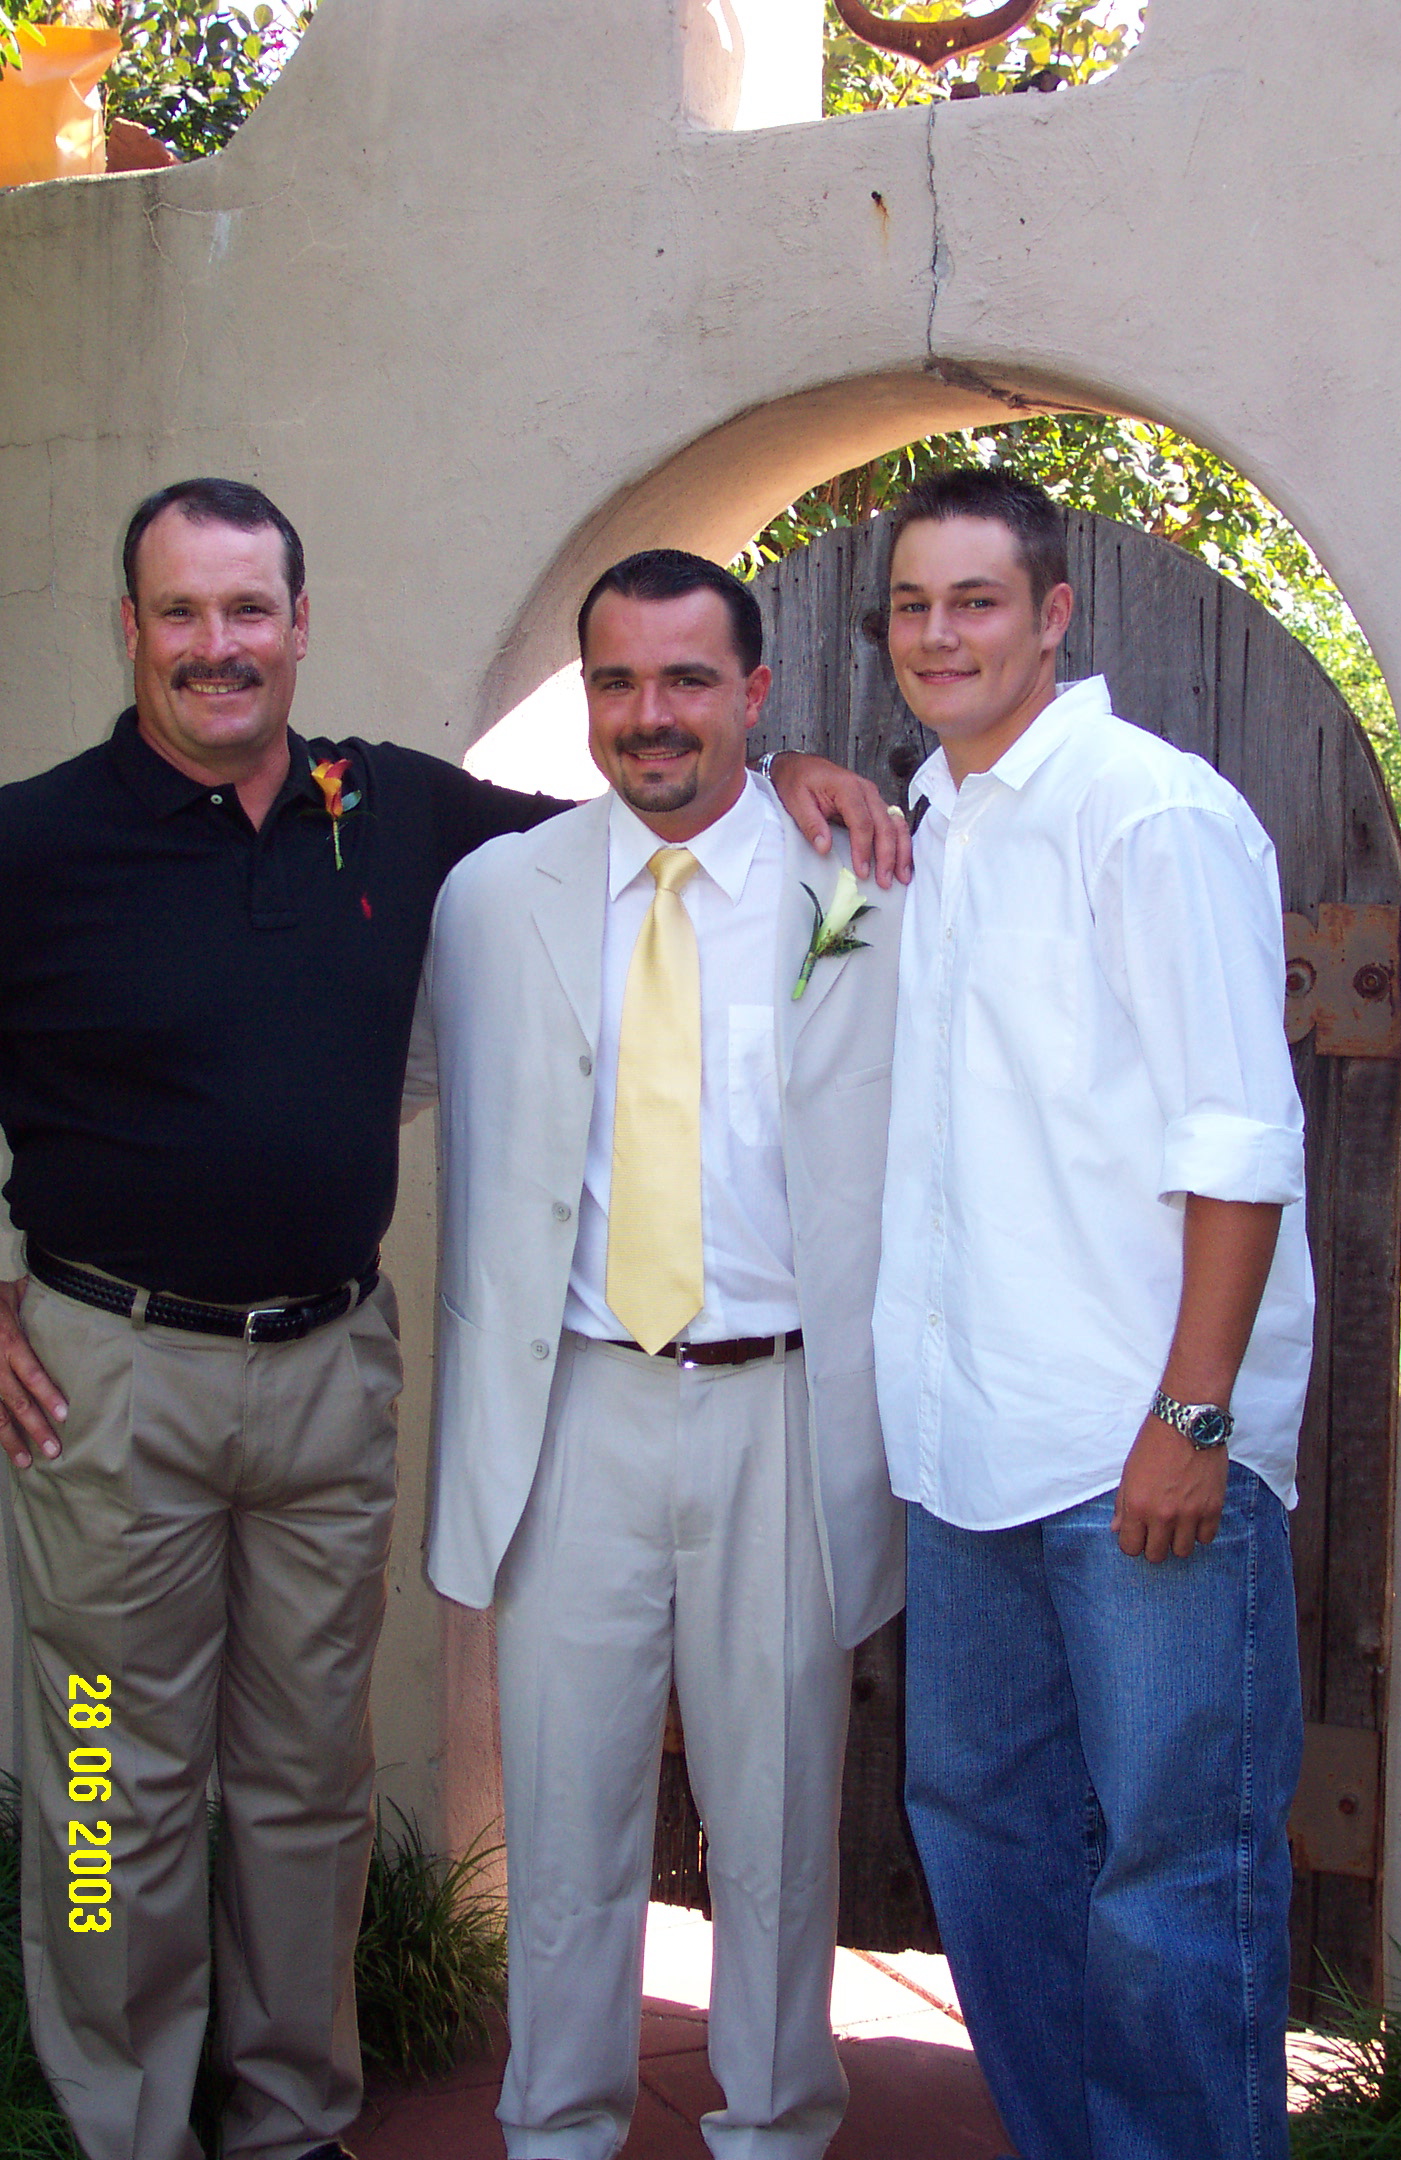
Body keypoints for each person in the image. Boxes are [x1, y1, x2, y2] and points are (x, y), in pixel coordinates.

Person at [0, 478, 906, 2160]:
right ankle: (127, 2126)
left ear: (297, 624)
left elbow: (651, 814)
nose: (218, 646)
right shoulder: (33, 843)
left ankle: (288, 2119)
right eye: (181, 614)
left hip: (331, 1383)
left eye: (248, 611)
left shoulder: (406, 820)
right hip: (109, 1387)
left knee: (306, 1784)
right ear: (128, 628)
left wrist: (791, 784)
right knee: (106, 1783)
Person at [405, 548, 908, 2160]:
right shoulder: (495, 896)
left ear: (757, 696)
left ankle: (773, 2124)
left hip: (783, 1402)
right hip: (576, 1403)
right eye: (617, 681)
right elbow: (356, 1080)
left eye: (688, 679)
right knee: (564, 1813)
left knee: (775, 1818)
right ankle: (558, 2124)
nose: (650, 716)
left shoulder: (861, 885)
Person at [872, 468, 1314, 2160]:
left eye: (976, 600)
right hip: (969, 1445)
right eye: (914, 605)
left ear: (1053, 616)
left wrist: (1192, 1416)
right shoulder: (944, 812)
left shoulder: (1152, 812)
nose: (940, 633)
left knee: (1172, 1874)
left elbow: (1238, 1135)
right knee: (976, 1824)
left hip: (1138, 1452)